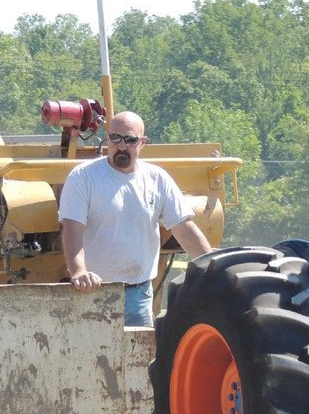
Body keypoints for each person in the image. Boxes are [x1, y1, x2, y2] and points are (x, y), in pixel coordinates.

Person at [59, 110, 213, 327]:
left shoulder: (157, 179)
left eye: (130, 140)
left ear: (143, 143)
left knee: (139, 359)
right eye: (115, 138)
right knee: (90, 359)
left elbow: (184, 229)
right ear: (107, 137)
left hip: (138, 295)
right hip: (91, 294)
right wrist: (79, 271)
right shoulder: (83, 177)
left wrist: (213, 268)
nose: (122, 146)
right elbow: (72, 229)